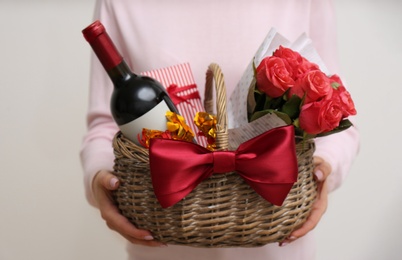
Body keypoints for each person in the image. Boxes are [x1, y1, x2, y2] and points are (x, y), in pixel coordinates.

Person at [80, 0, 360, 259]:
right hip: (164, 243)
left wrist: (325, 170)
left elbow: (335, 110)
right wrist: (99, 179)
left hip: (277, 239)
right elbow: (106, 125)